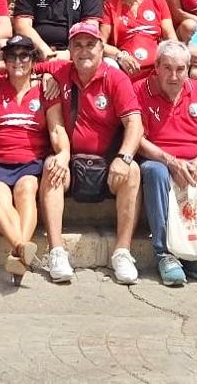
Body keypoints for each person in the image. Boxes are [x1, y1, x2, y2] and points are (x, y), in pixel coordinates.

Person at [39, 19, 144, 285]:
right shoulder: (60, 71)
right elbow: (25, 67)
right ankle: (56, 251)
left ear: (101, 48)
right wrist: (43, 76)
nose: (84, 51)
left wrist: (124, 157)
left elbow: (134, 123)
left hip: (107, 163)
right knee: (51, 166)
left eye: (90, 44)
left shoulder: (116, 78)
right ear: (70, 50)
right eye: (78, 45)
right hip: (72, 162)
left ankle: (122, 252)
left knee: (132, 171)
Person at [0, 33, 68, 280]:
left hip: (30, 161)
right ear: (5, 60)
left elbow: (57, 129)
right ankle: (21, 248)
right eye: (11, 56)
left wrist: (64, 153)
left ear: (33, 60)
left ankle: (18, 253)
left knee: (27, 190)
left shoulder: (45, 89)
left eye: (24, 56)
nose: (17, 61)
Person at [135, 39, 197, 287]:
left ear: (188, 69)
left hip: (193, 159)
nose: (174, 76)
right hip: (159, 158)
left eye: (180, 69)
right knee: (154, 172)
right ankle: (164, 253)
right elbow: (138, 141)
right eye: (167, 68)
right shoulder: (140, 90)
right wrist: (170, 161)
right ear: (156, 66)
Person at [100, 0, 177, 83]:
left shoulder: (159, 2)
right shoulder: (109, 6)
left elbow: (171, 39)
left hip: (157, 70)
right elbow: (100, 43)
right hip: (124, 69)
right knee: (107, 63)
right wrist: (120, 56)